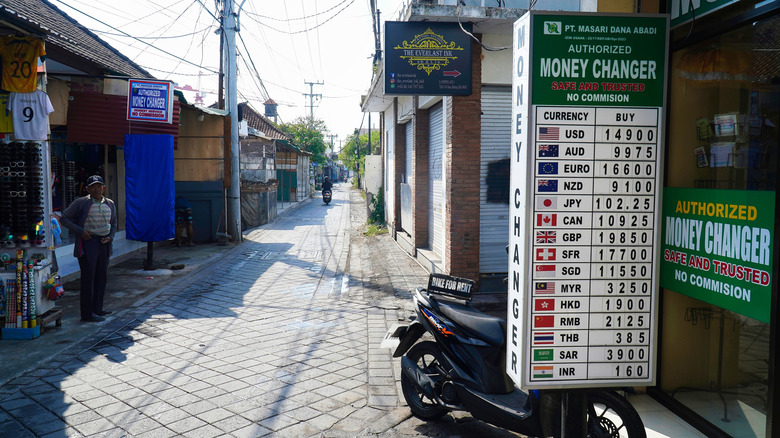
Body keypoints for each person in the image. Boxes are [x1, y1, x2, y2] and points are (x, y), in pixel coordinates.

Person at [60, 175, 117, 322]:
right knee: (88, 278)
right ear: (88, 189)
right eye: (93, 186)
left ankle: (97, 309)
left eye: (99, 186)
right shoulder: (81, 202)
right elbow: (64, 218)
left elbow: (114, 223)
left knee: (101, 277)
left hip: (104, 243)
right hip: (88, 242)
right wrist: (80, 231)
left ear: (104, 188)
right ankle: (87, 314)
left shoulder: (110, 203)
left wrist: (111, 236)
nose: (97, 189)